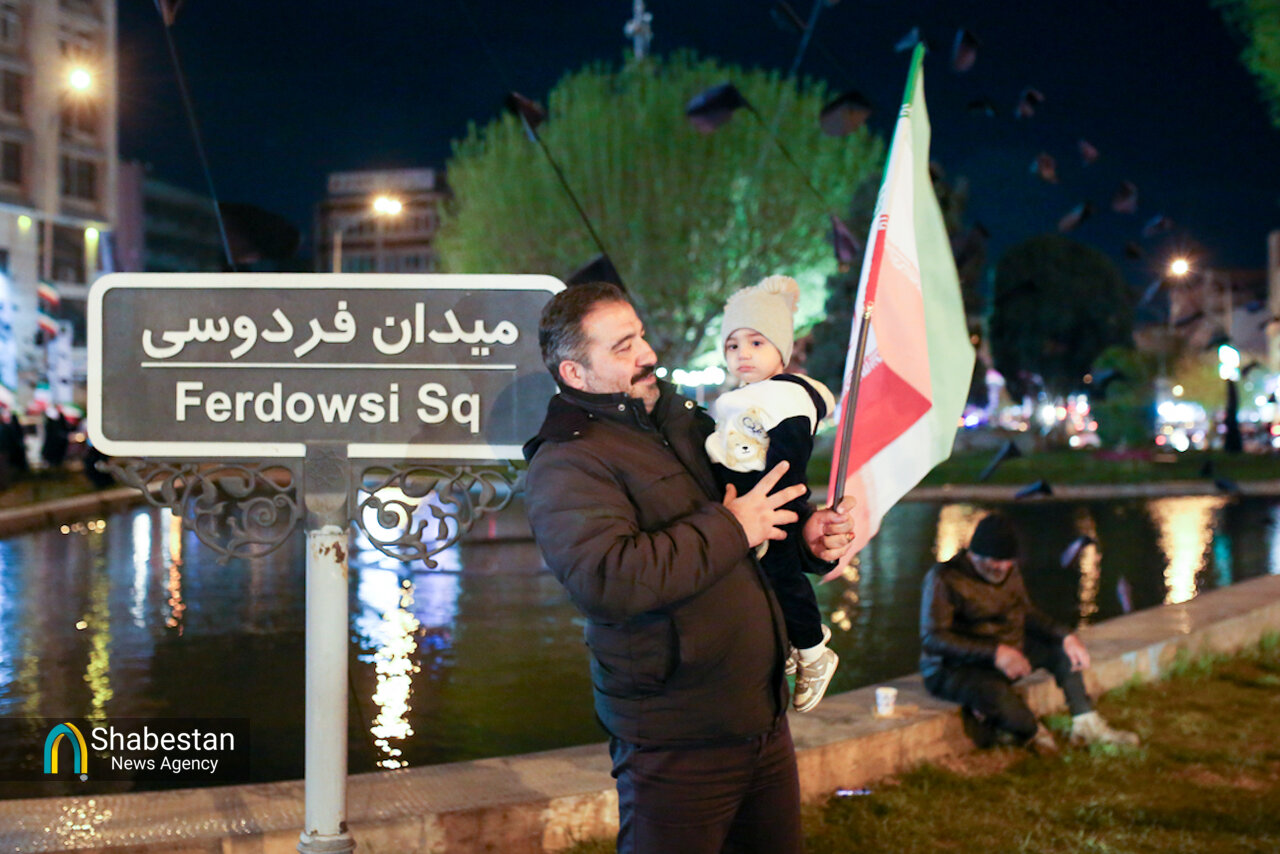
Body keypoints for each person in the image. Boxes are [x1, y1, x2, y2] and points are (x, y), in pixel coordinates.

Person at [523, 282, 854, 854]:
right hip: (677, 739)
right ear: (576, 373)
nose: (647, 354)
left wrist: (804, 537)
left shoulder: (684, 421)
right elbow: (608, 579)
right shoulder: (567, 460)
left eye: (640, 336)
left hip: (760, 715)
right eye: (623, 347)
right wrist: (735, 527)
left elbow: (749, 516)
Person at [705, 275, 838, 713]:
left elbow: (788, 460)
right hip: (746, 510)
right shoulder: (741, 398)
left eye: (757, 342)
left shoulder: (786, 399)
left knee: (783, 578)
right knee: (765, 582)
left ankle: (814, 650)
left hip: (772, 507)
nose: (742, 353)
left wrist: (773, 509)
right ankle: (792, 641)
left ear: (781, 349)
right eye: (733, 345)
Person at [920, 512, 1139, 752]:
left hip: (1009, 652)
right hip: (956, 667)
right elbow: (933, 638)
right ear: (975, 554)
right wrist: (996, 653)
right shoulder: (944, 578)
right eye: (995, 560)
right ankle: (1030, 732)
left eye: (1008, 560)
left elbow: (1026, 613)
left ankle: (1086, 724)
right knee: (998, 697)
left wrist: (1066, 636)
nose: (1003, 567)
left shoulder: (1009, 571)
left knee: (1063, 653)